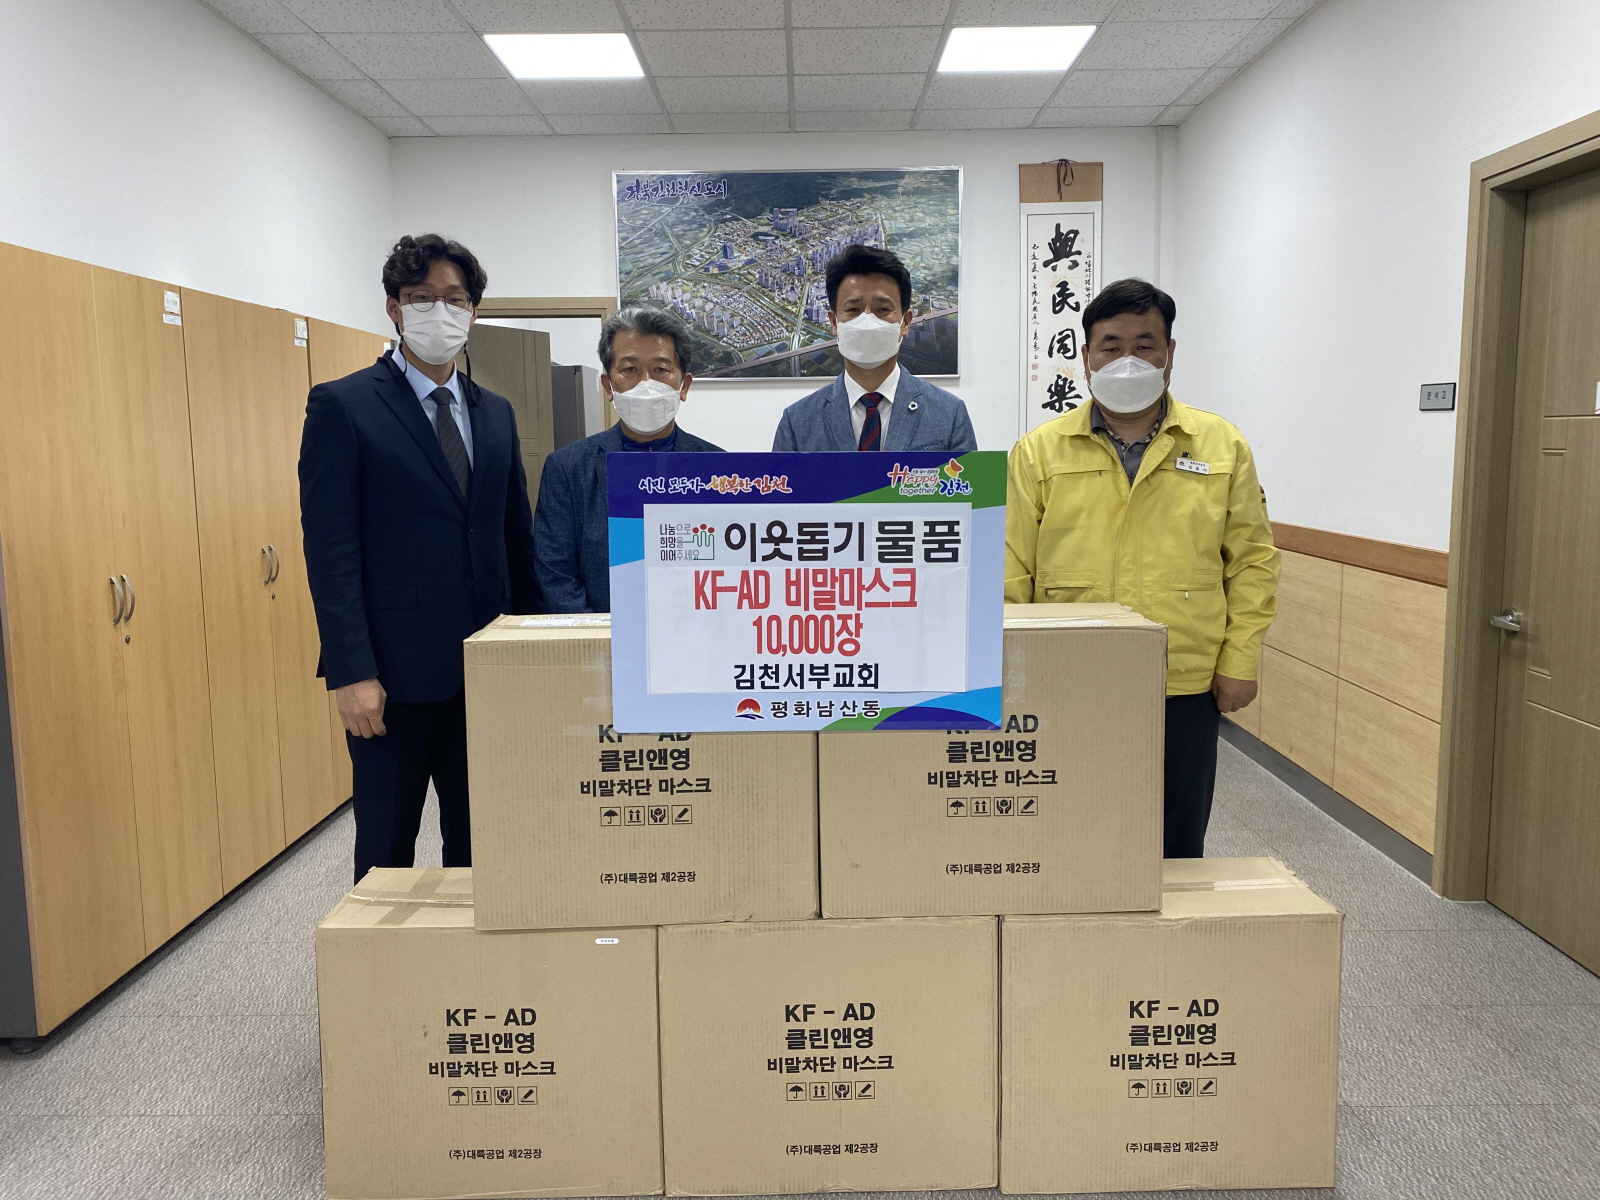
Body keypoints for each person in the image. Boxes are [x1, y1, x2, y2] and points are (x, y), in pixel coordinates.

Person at [1004, 278, 1279, 858]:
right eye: (1111, 346)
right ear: (1086, 357)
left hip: (1182, 677)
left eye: (1144, 345)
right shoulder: (1039, 451)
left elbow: (1252, 562)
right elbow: (1011, 570)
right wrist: (1015, 670)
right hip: (1069, 674)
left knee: (1175, 837)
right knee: (1070, 830)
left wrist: (1240, 660)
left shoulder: (1221, 445)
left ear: (1169, 353)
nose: (1126, 360)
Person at [300, 233, 541, 882]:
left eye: (455, 299)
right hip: (391, 682)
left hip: (488, 674)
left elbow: (515, 543)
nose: (441, 311)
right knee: (387, 852)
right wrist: (351, 672)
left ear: (473, 311)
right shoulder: (344, 406)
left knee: (484, 849)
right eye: (422, 297)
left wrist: (537, 652)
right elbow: (331, 551)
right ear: (394, 308)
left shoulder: (496, 413)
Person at [534, 304, 723, 612]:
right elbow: (555, 574)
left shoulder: (719, 467)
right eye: (630, 370)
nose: (646, 384)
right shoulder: (568, 468)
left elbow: (731, 567)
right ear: (608, 386)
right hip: (599, 636)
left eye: (660, 370)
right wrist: (600, 636)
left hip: (694, 634)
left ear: (684, 386)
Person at [772, 245, 977, 454]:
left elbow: (965, 476)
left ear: (905, 322)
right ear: (834, 323)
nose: (867, 321)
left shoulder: (949, 414)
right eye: (854, 309)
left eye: (883, 309)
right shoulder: (796, 422)